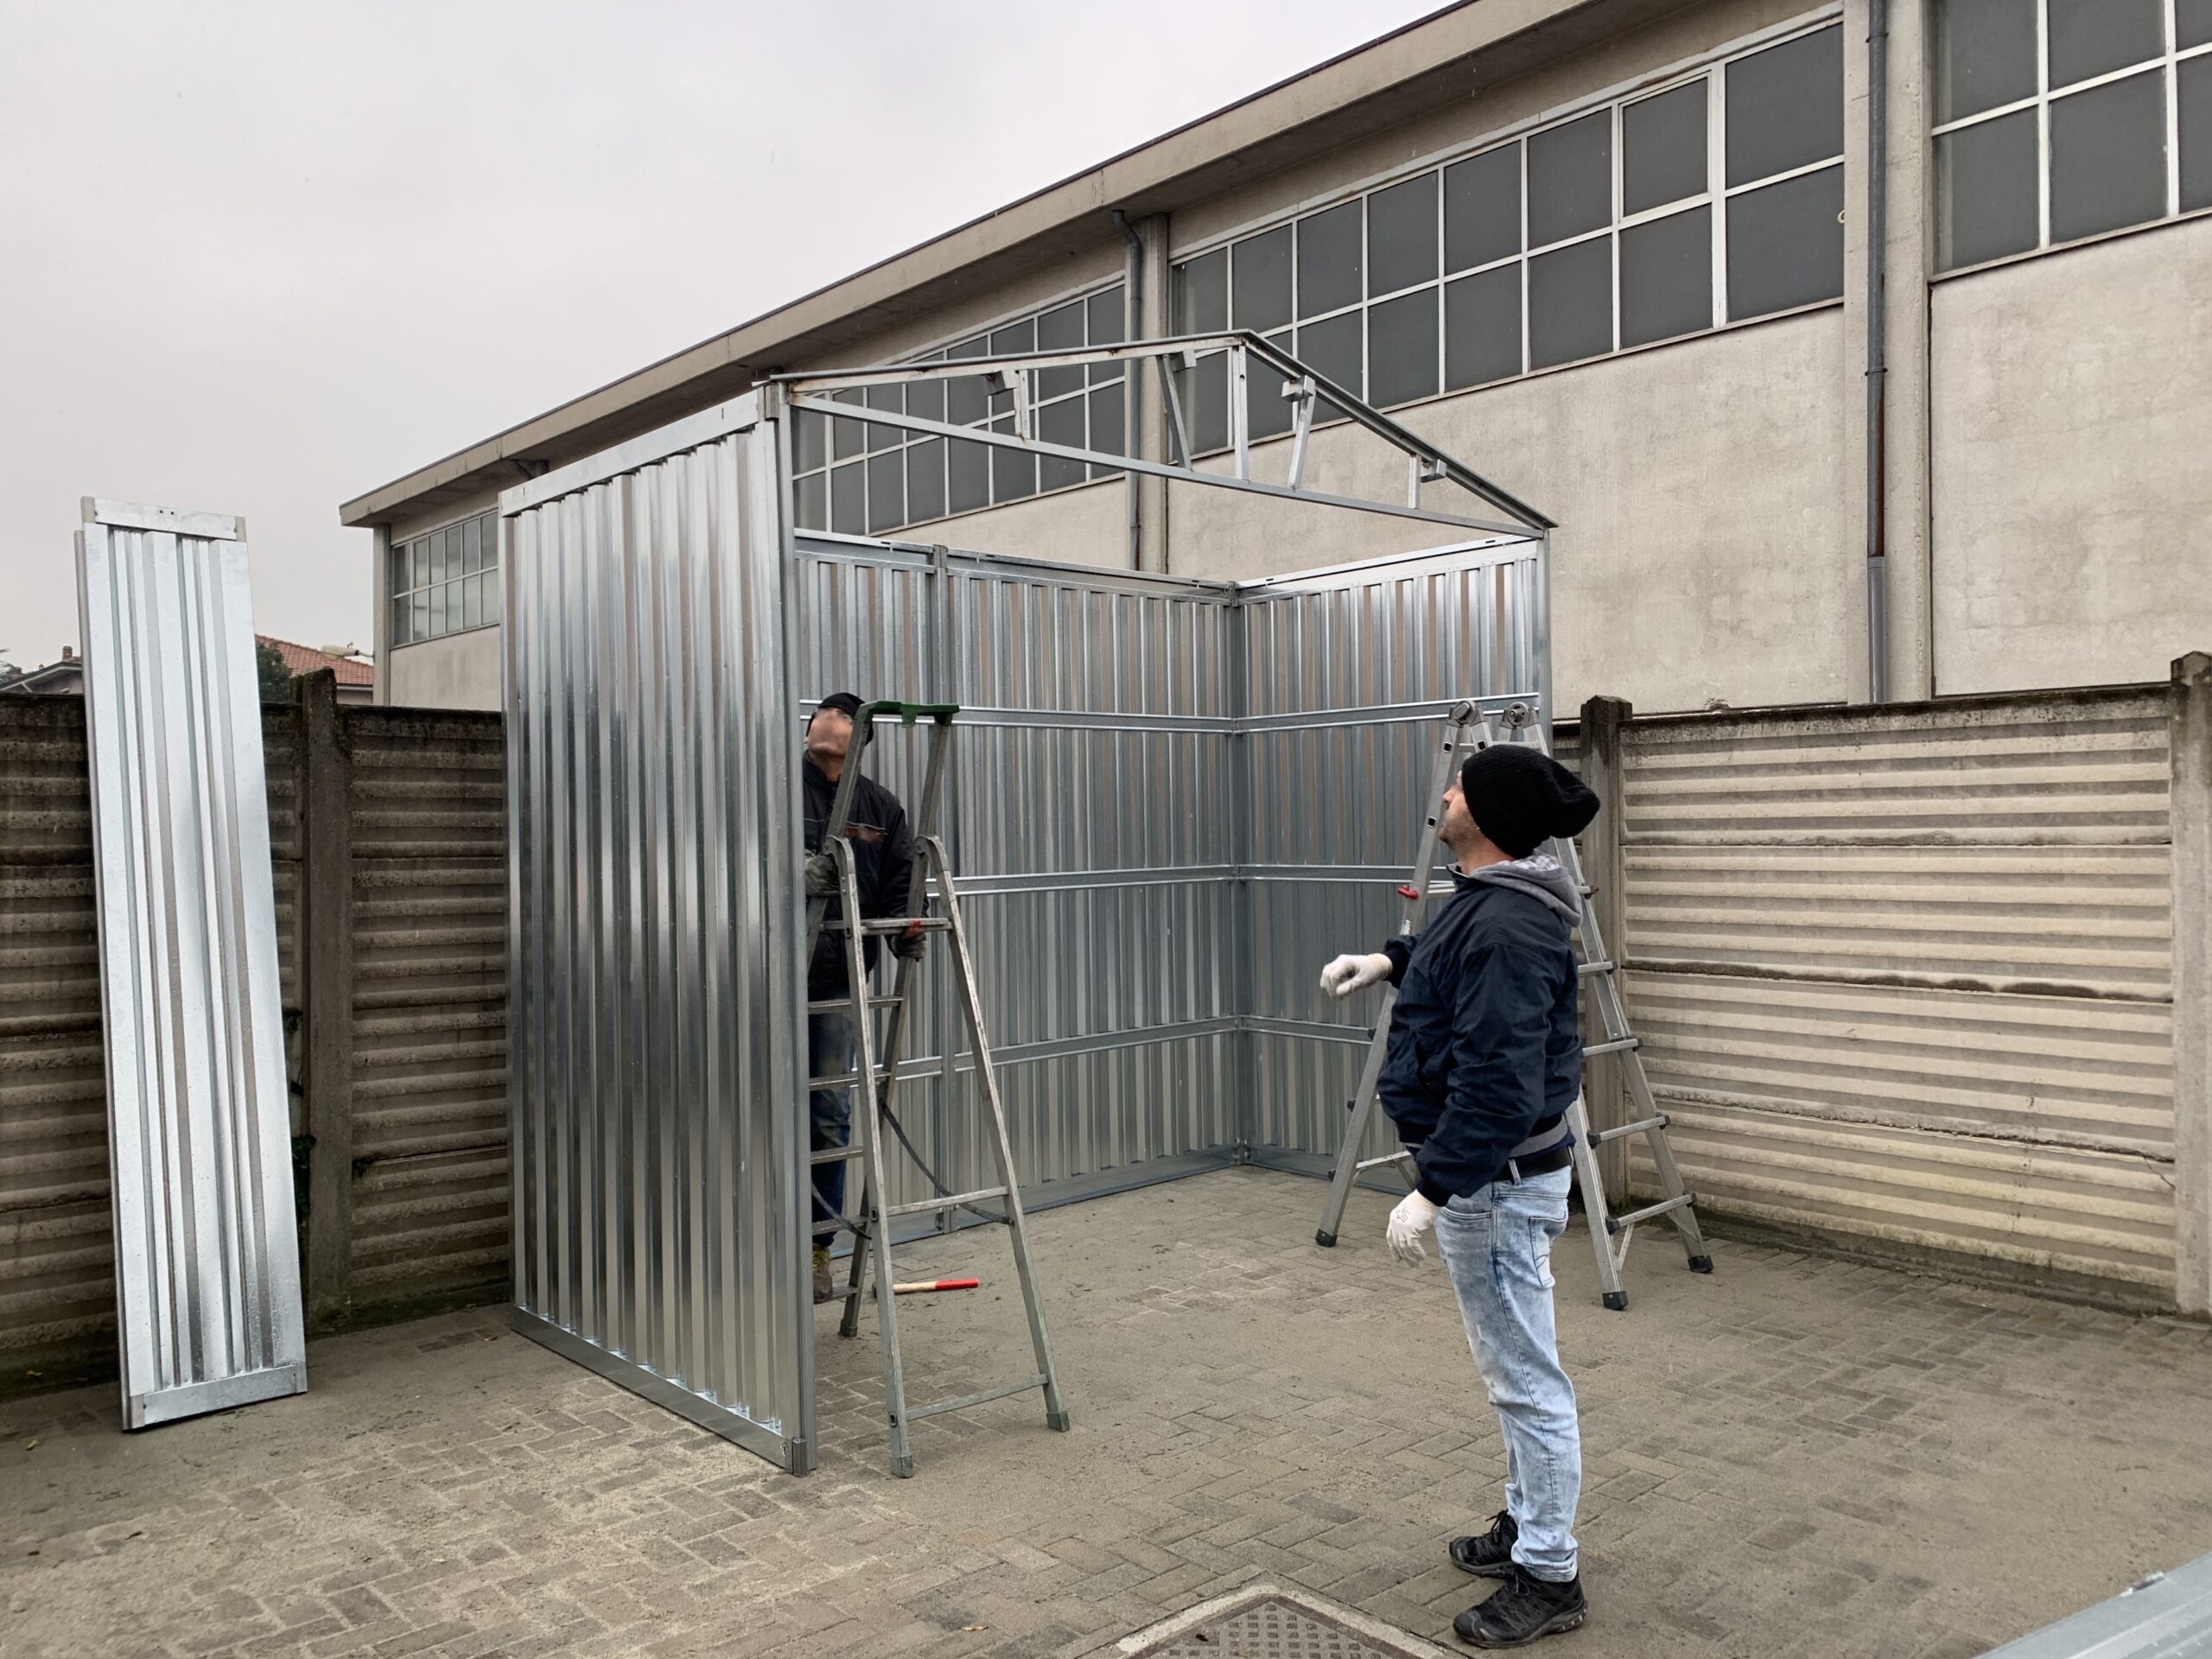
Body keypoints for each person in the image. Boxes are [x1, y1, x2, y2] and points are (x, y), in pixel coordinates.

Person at [1319, 742, 1600, 1649]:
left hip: (1496, 1186)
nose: (1445, 792)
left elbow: (1500, 1086)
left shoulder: (1509, 926)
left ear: (1488, 814)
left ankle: (1549, 1575)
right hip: (1491, 1183)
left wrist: (1433, 1189)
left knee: (1526, 1382)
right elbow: (1451, 959)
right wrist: (1390, 959)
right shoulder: (1488, 900)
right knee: (1511, 1372)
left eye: (1461, 785)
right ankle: (1527, 1523)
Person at [801, 693, 918, 1306]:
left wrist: (904, 929)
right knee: (760, 1109)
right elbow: (739, 860)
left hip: (839, 978)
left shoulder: (880, 807)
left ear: (862, 740)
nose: (828, 718)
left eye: (845, 715)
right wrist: (796, 874)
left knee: (828, 1114)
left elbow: (900, 880)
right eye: (822, 712)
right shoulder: (774, 792)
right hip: (769, 977)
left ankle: (815, 1247)